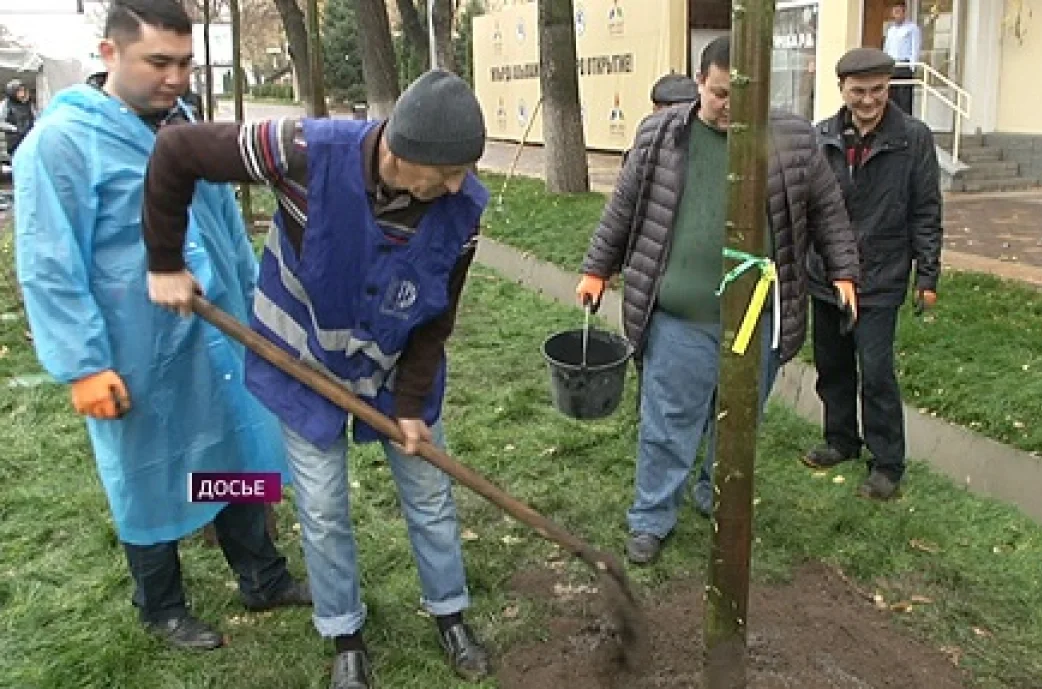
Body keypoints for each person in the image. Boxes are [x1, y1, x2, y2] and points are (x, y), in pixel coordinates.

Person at [140, 69, 493, 688]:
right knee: (324, 508)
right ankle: (345, 637)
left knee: (431, 496)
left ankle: (451, 615)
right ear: (400, 153)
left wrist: (410, 405)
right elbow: (178, 151)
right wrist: (165, 260)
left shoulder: (461, 210)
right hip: (302, 364)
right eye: (446, 172)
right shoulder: (303, 151)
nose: (458, 185)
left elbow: (438, 317)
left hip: (393, 367)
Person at [11, 0, 309, 652]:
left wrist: (255, 306)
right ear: (110, 54)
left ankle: (261, 574)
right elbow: (49, 264)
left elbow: (224, 222)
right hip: (132, 344)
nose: (176, 76)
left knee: (233, 446)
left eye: (185, 62)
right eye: (159, 62)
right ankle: (162, 605)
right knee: (146, 469)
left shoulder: (185, 123)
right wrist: (84, 363)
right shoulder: (58, 146)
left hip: (217, 325)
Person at [576, 36, 860, 565]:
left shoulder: (793, 139)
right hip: (681, 315)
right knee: (668, 420)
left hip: (756, 318)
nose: (730, 106)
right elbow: (624, 206)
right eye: (720, 93)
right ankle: (652, 518)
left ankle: (717, 494)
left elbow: (828, 211)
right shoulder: (662, 134)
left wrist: (844, 271)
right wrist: (597, 268)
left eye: (742, 95)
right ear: (699, 83)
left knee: (739, 419)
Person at [802, 47, 943, 500]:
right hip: (826, 276)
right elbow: (806, 208)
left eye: (878, 90)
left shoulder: (914, 139)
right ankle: (840, 439)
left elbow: (926, 211)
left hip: (881, 277)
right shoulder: (820, 136)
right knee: (833, 365)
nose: (869, 100)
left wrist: (927, 276)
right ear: (841, 88)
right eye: (859, 91)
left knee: (877, 371)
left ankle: (887, 462)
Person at [882, 0, 921, 115]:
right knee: (892, 98)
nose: (896, 14)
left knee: (904, 100)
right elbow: (887, 48)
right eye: (894, 12)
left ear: (904, 12)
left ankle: (906, 126)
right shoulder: (891, 30)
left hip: (904, 66)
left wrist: (912, 67)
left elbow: (915, 48)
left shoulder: (912, 28)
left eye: (899, 11)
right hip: (892, 66)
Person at [1, 79, 38, 157]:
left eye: (23, 90)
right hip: (15, 140)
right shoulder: (6, 104)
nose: (22, 93)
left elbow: (36, 117)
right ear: (12, 92)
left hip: (29, 138)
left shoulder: (28, 103)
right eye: (19, 91)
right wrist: (14, 128)